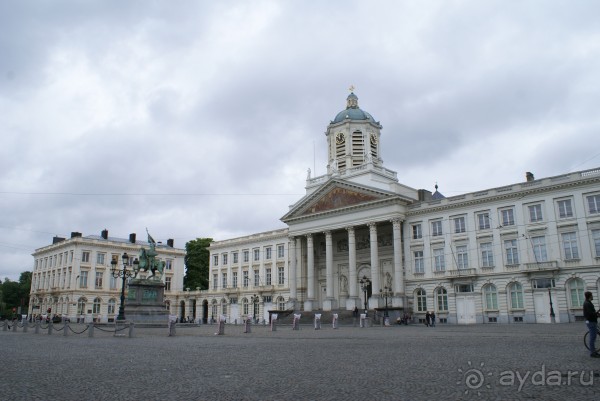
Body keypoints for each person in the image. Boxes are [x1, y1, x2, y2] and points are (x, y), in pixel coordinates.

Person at [583, 291, 600, 358]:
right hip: (591, 322)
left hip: (592, 321)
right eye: (592, 295)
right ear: (590, 296)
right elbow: (590, 314)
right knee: (592, 338)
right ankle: (592, 353)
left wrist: (597, 314)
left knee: (594, 336)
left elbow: (592, 313)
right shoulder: (587, 303)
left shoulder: (588, 302)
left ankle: (593, 351)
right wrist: (597, 312)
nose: (592, 296)